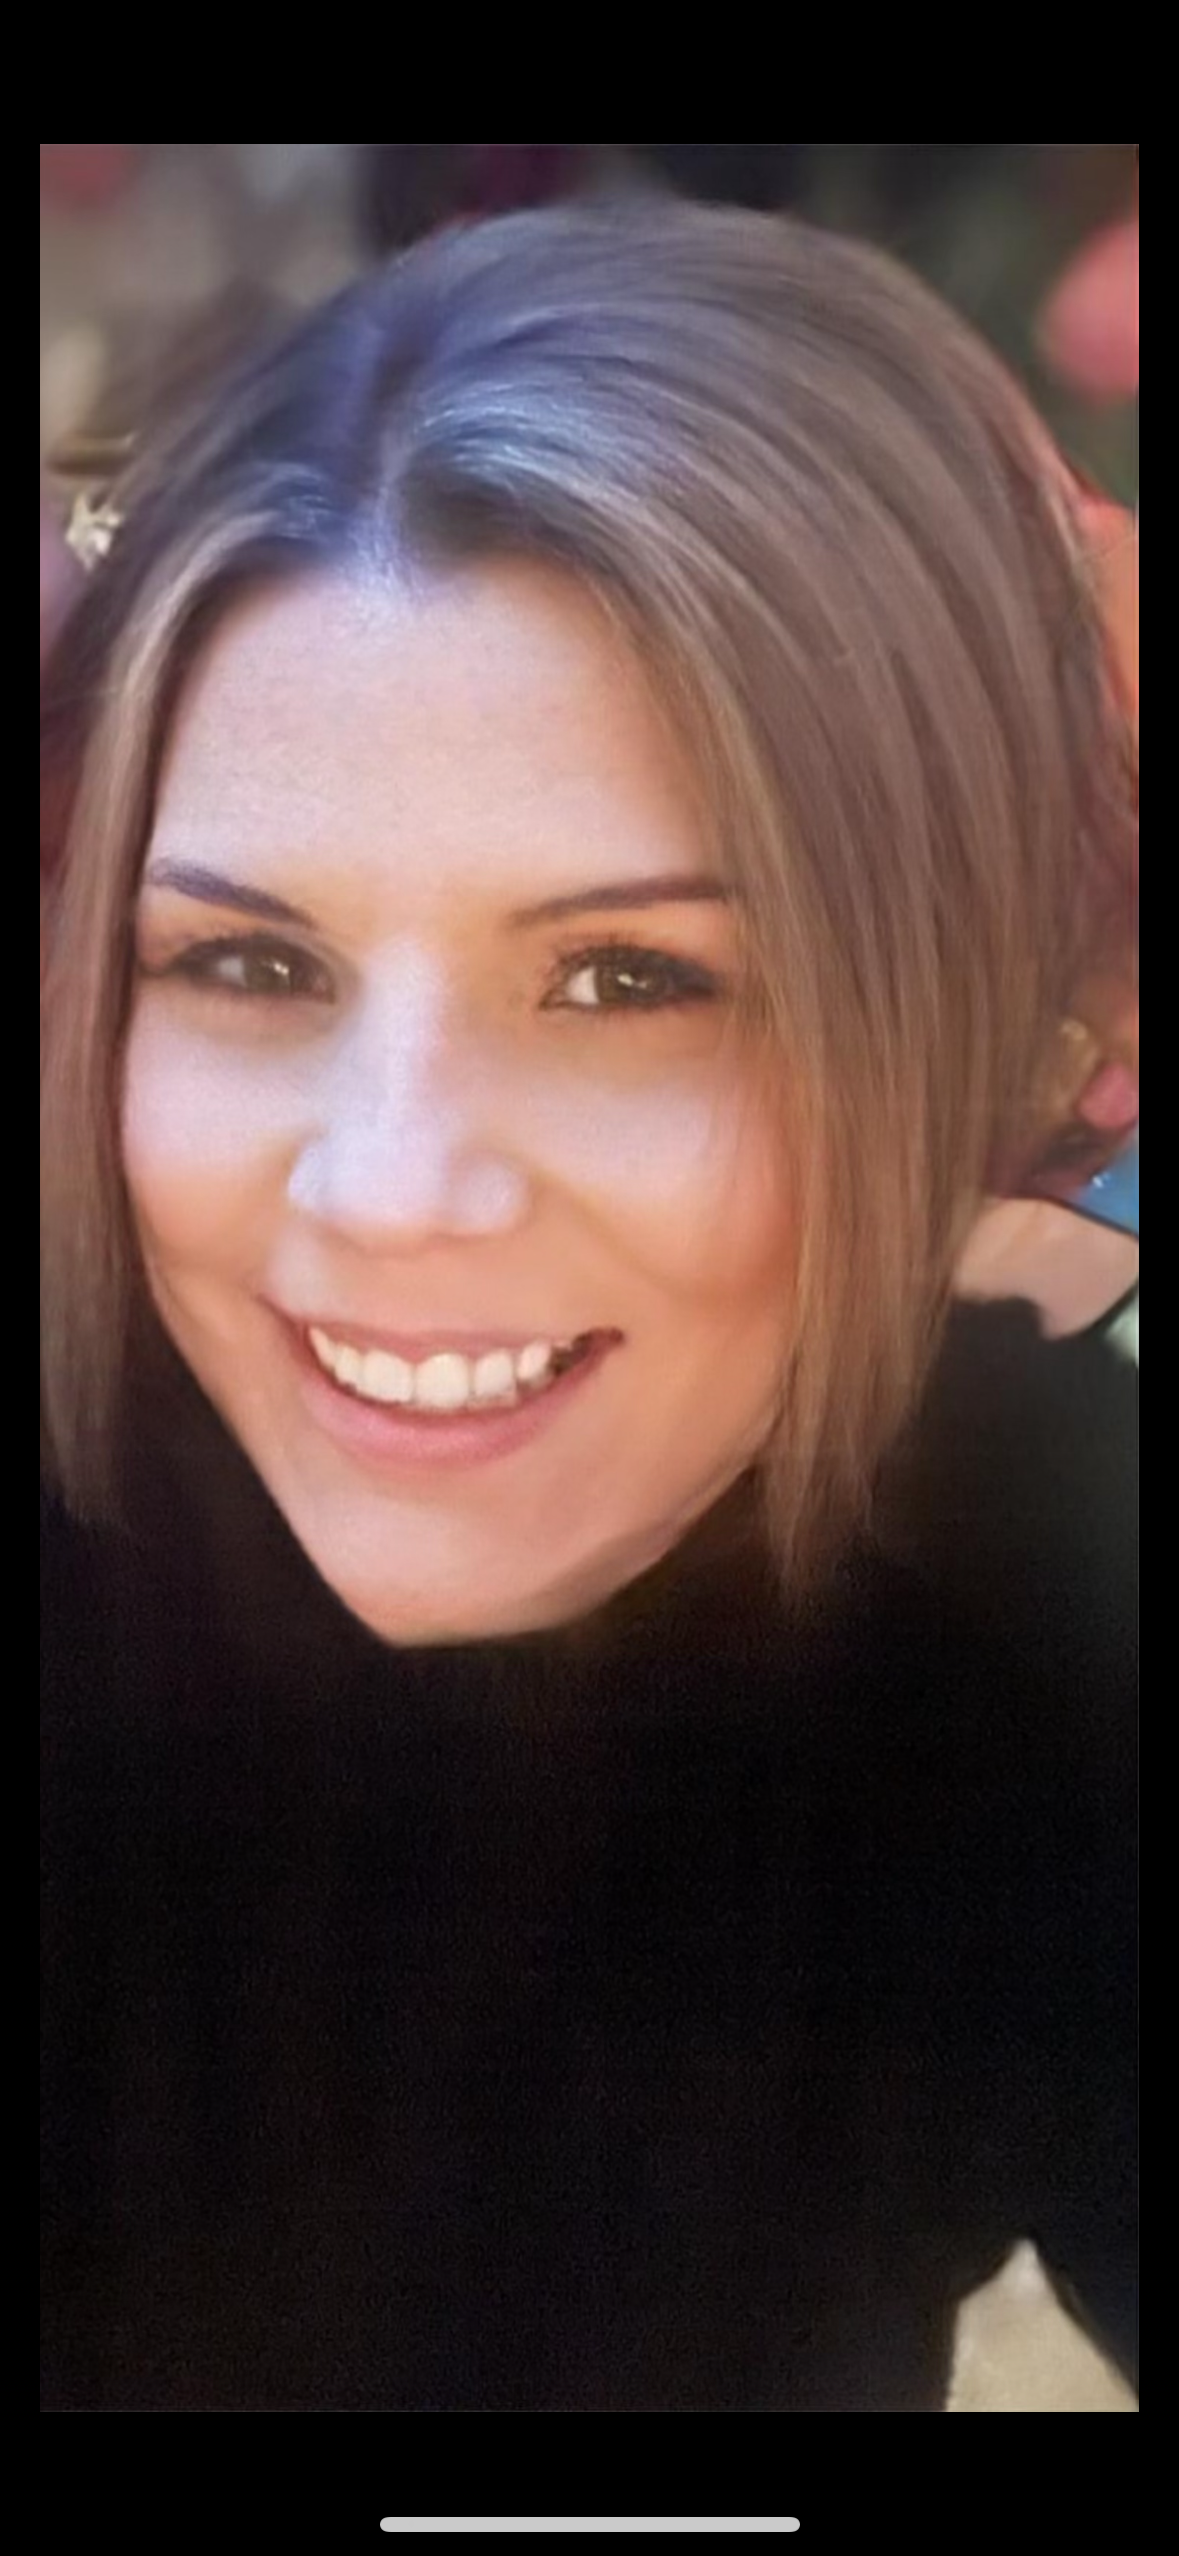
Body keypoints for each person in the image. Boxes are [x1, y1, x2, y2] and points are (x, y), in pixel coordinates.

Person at [41, 205, 1137, 2413]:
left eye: (634, 980)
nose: (390, 1191)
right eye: (249, 963)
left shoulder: (1033, 1584)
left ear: (992, 1032)